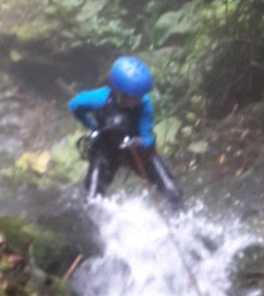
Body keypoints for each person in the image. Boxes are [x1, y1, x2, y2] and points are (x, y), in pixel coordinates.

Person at [69, 56, 183, 209]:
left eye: (140, 95)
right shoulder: (100, 98)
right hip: (106, 149)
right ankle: (94, 223)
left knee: (171, 190)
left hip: (137, 150)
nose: (138, 99)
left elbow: (148, 138)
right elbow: (75, 106)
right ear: (119, 92)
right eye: (134, 96)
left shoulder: (145, 104)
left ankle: (180, 220)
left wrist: (140, 142)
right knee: (93, 196)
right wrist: (92, 125)